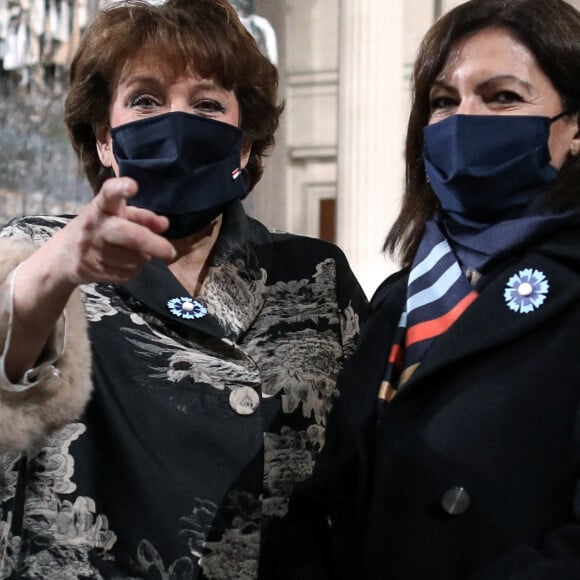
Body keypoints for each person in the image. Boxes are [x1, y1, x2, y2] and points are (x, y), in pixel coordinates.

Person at [0, 0, 367, 578]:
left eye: (206, 104)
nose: (176, 123)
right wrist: (55, 269)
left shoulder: (314, 275)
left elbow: (362, 471)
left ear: (243, 146)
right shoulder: (42, 255)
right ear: (104, 138)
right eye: (145, 100)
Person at [279, 0, 580, 578]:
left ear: (573, 129)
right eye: (444, 101)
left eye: (503, 97)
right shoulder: (397, 299)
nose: (465, 118)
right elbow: (328, 498)